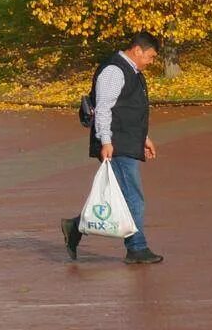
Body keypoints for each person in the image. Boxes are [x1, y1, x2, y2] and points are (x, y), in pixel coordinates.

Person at [62, 31, 162, 265]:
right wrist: (106, 141)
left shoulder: (133, 72)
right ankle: (137, 248)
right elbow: (104, 109)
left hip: (126, 141)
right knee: (132, 197)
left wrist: (143, 138)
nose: (151, 62)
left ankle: (76, 227)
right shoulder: (114, 71)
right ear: (137, 50)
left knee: (123, 197)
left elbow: (128, 110)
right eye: (151, 57)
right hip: (115, 145)